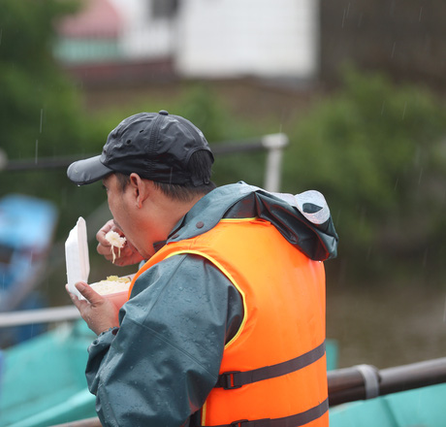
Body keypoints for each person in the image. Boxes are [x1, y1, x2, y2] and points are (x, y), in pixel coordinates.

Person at [66, 110, 338, 427]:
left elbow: (132, 414)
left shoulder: (190, 270)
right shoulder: (278, 228)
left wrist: (108, 333)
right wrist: (155, 250)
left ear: (137, 189)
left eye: (107, 189)